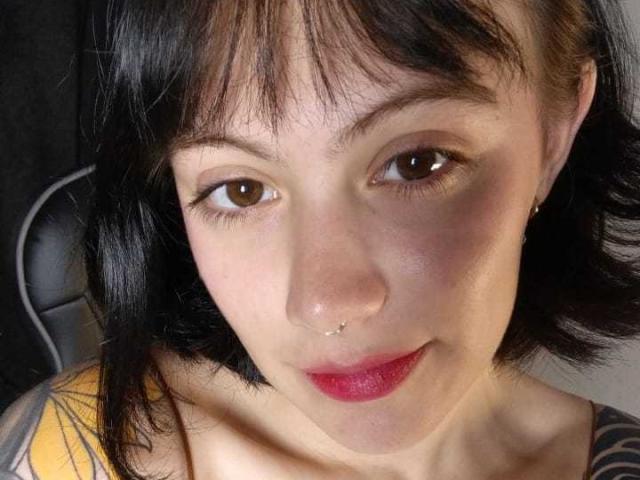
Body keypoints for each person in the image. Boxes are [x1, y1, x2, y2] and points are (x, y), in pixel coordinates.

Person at [2, 0, 640, 478]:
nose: (324, 303)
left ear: (555, 133)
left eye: (415, 163)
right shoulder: (66, 458)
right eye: (241, 190)